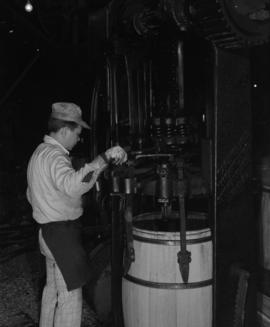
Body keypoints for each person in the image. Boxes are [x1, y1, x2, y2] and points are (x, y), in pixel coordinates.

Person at [26, 102, 127, 327]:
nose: (78, 139)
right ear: (64, 131)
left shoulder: (38, 153)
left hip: (46, 233)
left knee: (52, 290)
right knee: (71, 298)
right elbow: (74, 185)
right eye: (77, 133)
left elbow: (30, 194)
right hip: (62, 236)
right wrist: (103, 159)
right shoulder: (55, 157)